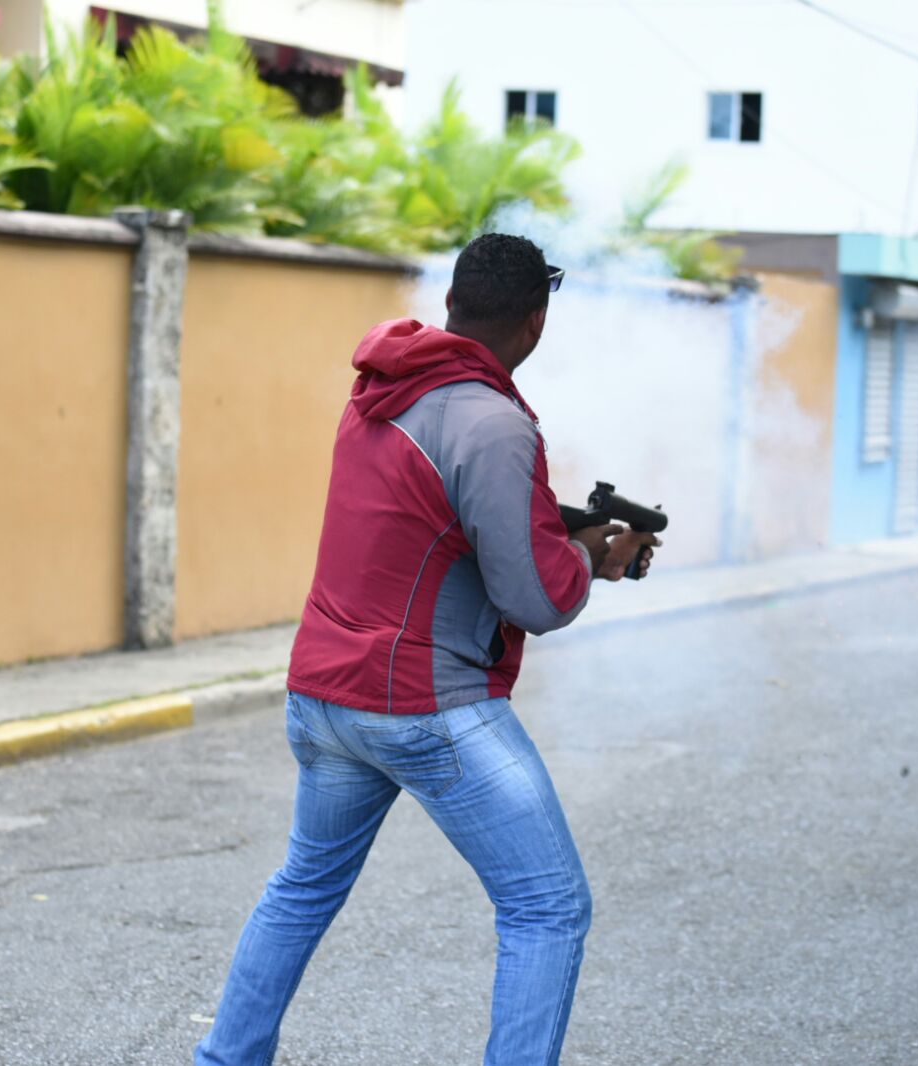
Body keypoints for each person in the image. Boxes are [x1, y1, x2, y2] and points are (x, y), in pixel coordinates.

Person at [194, 233, 659, 1066]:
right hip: (423, 708)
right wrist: (595, 557)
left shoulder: (378, 389)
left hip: (324, 697)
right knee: (546, 909)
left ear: (449, 305)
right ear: (535, 320)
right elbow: (537, 597)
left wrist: (560, 524)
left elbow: (435, 515)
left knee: (301, 889)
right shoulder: (496, 422)